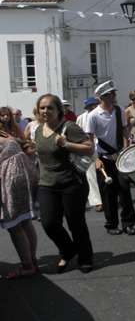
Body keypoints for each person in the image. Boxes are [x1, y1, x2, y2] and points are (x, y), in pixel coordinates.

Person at [33, 94, 95, 273]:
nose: (45, 111)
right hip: (46, 183)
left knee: (76, 223)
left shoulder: (69, 127)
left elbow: (89, 148)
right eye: (42, 108)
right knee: (49, 223)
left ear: (58, 110)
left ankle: (85, 258)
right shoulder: (38, 130)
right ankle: (68, 250)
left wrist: (67, 144)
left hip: (71, 183)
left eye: (50, 107)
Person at [86, 80, 135, 235]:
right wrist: (95, 159)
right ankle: (112, 224)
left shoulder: (119, 110)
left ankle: (128, 223)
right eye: (112, 94)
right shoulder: (93, 115)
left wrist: (126, 148)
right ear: (103, 96)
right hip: (103, 157)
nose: (115, 96)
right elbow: (89, 139)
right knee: (108, 194)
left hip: (120, 157)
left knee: (125, 191)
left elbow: (124, 131)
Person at [0, 134, 39, 278]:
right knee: (24, 221)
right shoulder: (7, 134)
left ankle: (27, 265)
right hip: (22, 175)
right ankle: (31, 261)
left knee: (14, 226)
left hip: (9, 180)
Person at [76, 97, 103, 212]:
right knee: (91, 175)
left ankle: (107, 198)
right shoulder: (81, 118)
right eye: (90, 106)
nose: (93, 108)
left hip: (102, 147)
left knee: (104, 173)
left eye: (94, 105)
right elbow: (77, 134)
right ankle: (97, 201)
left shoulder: (101, 115)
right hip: (88, 148)